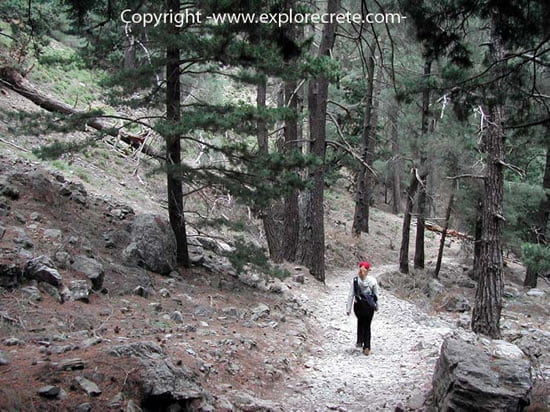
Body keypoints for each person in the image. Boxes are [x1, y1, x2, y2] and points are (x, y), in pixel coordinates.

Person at [346, 261, 379, 355]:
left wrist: (348, 308)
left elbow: (351, 295)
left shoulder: (355, 280)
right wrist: (377, 306)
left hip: (358, 306)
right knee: (367, 325)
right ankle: (367, 347)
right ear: (368, 270)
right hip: (369, 307)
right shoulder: (373, 281)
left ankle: (359, 341)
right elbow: (376, 295)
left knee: (360, 321)